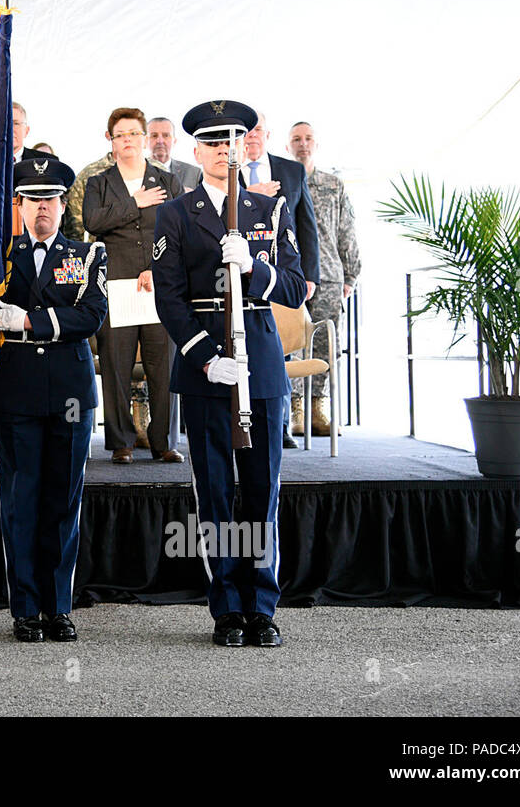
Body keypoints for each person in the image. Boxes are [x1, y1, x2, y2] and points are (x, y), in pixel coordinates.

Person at [151, 100, 307, 648]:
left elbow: (295, 287)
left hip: (260, 366)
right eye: (214, 143)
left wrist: (255, 268)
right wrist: (204, 357)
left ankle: (262, 607)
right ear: (197, 152)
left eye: (233, 141)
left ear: (245, 147)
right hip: (207, 369)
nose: (224, 151)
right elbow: (169, 299)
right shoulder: (174, 213)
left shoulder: (271, 210)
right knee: (215, 492)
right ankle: (226, 610)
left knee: (262, 491)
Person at [0, 158, 108, 644]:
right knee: (20, 501)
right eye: (32, 199)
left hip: (70, 390)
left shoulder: (87, 255)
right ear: (20, 205)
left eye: (50, 198)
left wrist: (27, 321)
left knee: (62, 502)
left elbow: (91, 316)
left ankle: (59, 606)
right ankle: (25, 608)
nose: (42, 207)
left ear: (63, 203)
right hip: (18, 388)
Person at [82, 108, 184, 463]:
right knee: (116, 364)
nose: (127, 140)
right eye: (120, 134)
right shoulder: (99, 183)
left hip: (158, 285)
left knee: (163, 366)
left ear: (145, 138)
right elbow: (93, 222)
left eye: (133, 133)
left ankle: (164, 441)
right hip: (117, 284)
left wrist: (158, 268)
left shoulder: (167, 181)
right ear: (110, 141)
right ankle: (121, 441)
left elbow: (176, 231)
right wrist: (133, 203)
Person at [243, 111, 320, 448]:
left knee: (283, 350)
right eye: (246, 131)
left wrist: (309, 275)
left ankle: (282, 425)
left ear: (268, 134)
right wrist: (250, 193)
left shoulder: (291, 171)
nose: (252, 136)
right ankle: (245, 421)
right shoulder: (225, 173)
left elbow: (308, 226)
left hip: (284, 274)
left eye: (258, 129)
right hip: (243, 275)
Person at [286, 121, 361, 435]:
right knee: (291, 344)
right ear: (288, 146)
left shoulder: (333, 184)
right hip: (291, 275)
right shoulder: (283, 180)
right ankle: (295, 411)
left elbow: (347, 230)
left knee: (327, 345)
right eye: (296, 139)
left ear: (317, 143)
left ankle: (319, 409)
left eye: (308, 138)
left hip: (329, 275)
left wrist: (351, 274)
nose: (303, 144)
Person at [146, 116, 201, 191]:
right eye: (154, 136)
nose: (160, 140)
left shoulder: (193, 173)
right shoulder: (132, 171)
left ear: (174, 141)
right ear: (145, 141)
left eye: (166, 135)